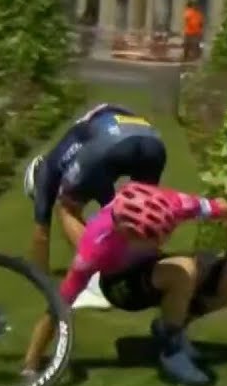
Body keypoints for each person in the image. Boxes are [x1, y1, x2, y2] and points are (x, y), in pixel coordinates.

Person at [22, 181, 227, 386]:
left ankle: (172, 325)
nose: (161, 242)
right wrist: (32, 367)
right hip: (121, 286)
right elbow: (58, 307)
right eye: (153, 239)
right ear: (125, 232)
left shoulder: (175, 203)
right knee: (182, 271)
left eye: (163, 236)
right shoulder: (95, 249)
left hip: (154, 269)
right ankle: (171, 348)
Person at [23, 104, 167, 275]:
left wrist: (39, 276)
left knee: (66, 209)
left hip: (110, 141)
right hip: (152, 142)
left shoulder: (47, 170)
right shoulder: (73, 147)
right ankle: (151, 270)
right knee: (139, 213)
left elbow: (42, 235)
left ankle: (101, 271)